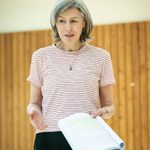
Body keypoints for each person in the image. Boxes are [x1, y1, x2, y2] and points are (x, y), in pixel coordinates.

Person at [26, 0, 116, 149]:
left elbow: (110, 106)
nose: (68, 28)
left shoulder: (101, 57)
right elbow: (34, 103)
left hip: (89, 136)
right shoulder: (40, 57)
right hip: (49, 136)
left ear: (84, 23)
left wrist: (105, 111)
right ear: (55, 23)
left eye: (74, 20)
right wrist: (33, 111)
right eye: (62, 21)